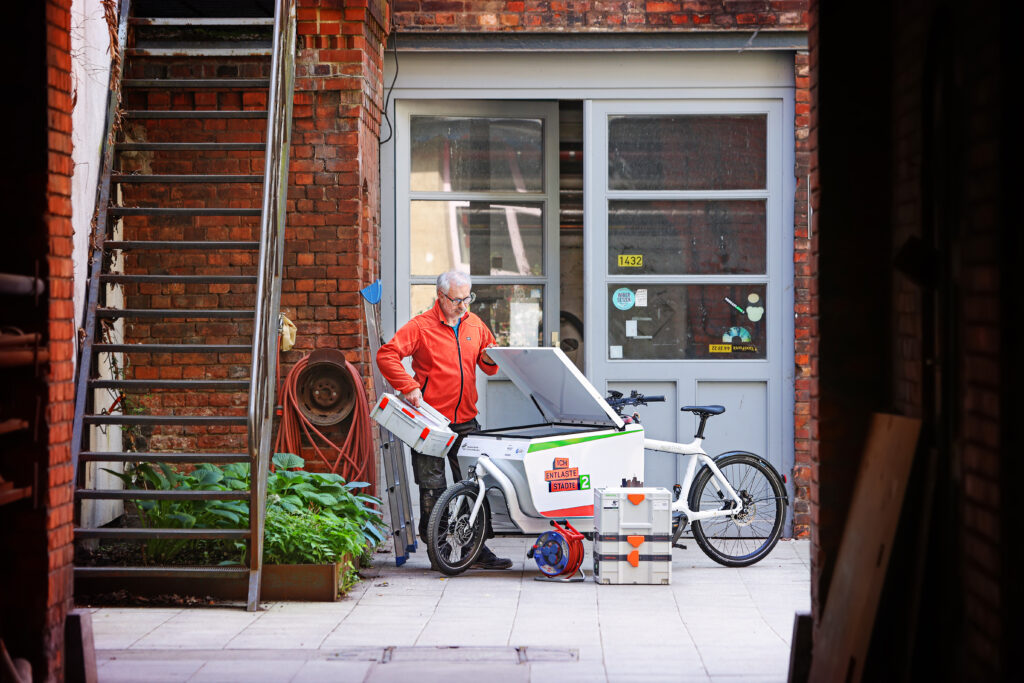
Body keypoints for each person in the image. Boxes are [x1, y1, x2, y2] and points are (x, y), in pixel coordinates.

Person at [376, 270, 513, 570]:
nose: (463, 306)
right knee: (433, 488)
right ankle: (439, 549)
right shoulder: (421, 326)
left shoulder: (475, 324)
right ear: (440, 296)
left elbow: (488, 365)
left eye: (468, 298)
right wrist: (408, 386)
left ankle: (475, 549)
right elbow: (387, 355)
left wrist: (493, 356)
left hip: (466, 420)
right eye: (457, 300)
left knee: (475, 485)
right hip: (431, 422)